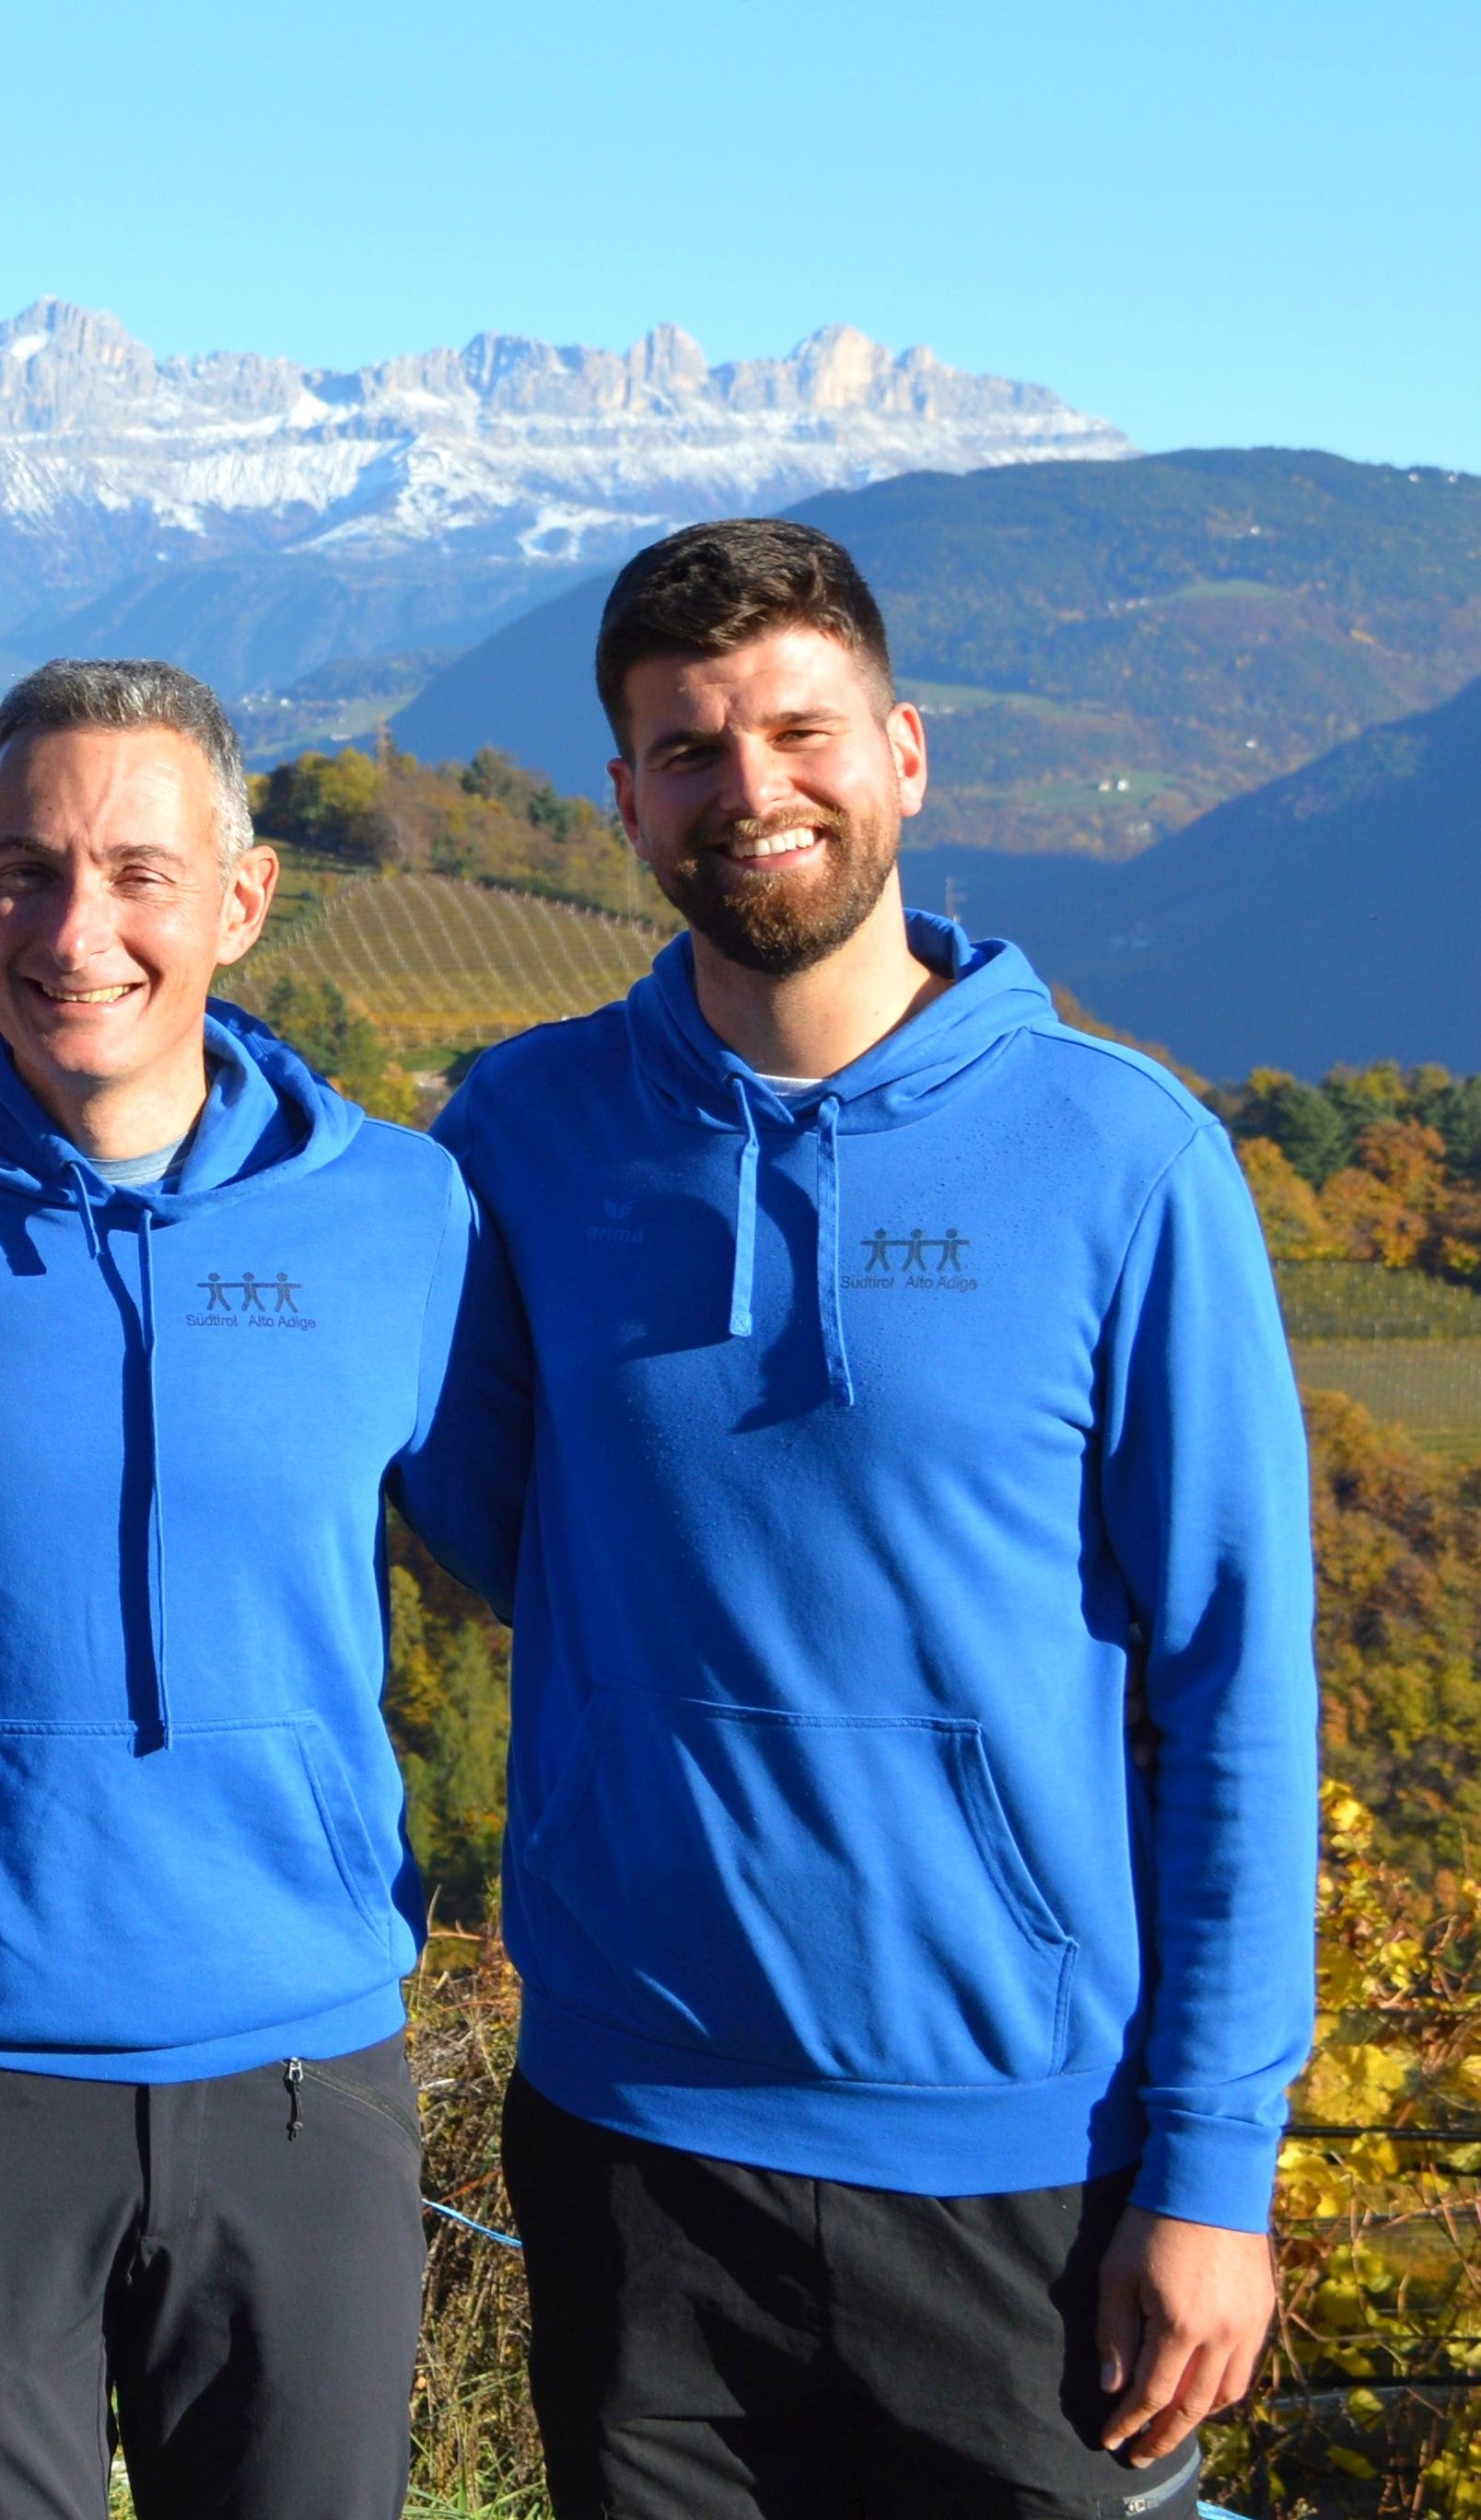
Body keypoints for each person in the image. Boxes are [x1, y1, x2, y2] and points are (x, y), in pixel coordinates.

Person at [410, 518, 1313, 2518]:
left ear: (905, 752)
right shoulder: (525, 1136)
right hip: (628, 2134)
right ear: (625, 798)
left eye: (800, 731)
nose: (754, 788)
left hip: (1021, 2157)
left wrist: (1215, 2172)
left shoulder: (1128, 1158)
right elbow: (482, 1514)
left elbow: (1238, 1691)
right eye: (691, 748)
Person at [0, 660, 464, 2518]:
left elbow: (555, 1561)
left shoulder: (402, 1218)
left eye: (140, 872)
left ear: (240, 900)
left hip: (306, 2078)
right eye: (24, 870)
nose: (78, 929)